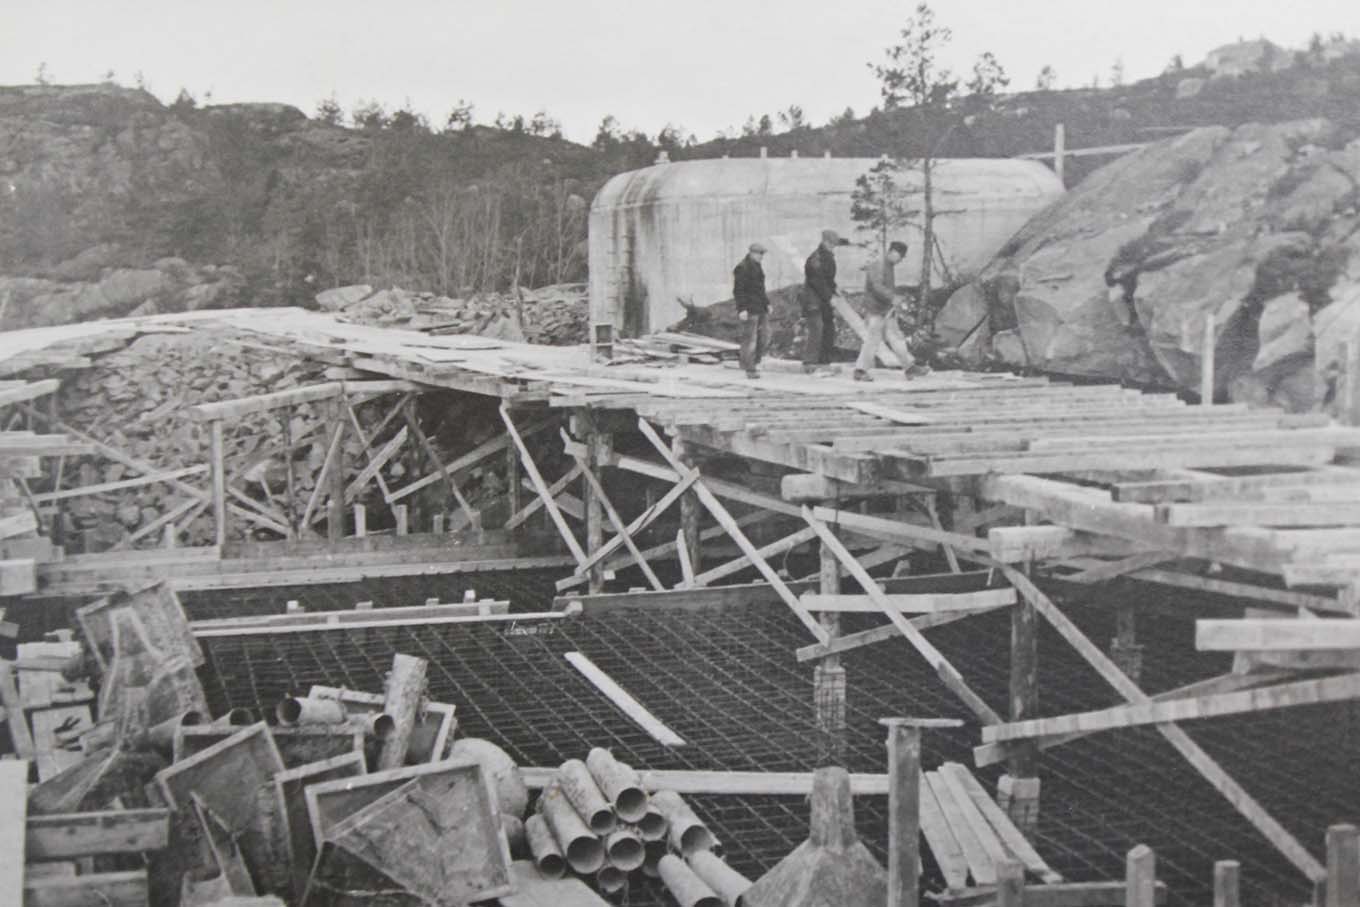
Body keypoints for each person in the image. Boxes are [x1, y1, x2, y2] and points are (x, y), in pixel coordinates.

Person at [854, 240, 931, 381]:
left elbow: (885, 287)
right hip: (875, 309)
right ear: (893, 252)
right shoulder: (878, 265)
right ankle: (860, 370)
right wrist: (892, 297)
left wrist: (892, 300)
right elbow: (876, 286)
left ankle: (909, 368)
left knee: (896, 338)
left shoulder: (889, 265)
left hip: (886, 309)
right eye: (900, 256)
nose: (901, 260)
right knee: (873, 340)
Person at [801, 229, 844, 374]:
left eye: (835, 244)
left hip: (823, 301)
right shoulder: (815, 259)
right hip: (813, 301)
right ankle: (809, 362)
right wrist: (829, 297)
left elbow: (828, 279)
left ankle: (824, 361)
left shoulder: (828, 257)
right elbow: (817, 281)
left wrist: (835, 288)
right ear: (825, 242)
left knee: (828, 329)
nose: (833, 246)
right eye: (831, 244)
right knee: (817, 329)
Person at [733, 242, 771, 378]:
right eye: (759, 254)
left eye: (762, 254)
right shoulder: (742, 268)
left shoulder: (757, 266)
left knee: (765, 336)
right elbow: (738, 290)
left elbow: (760, 288)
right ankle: (749, 369)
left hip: (760, 307)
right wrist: (742, 309)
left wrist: (767, 303)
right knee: (750, 339)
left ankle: (755, 362)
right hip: (750, 309)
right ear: (752, 253)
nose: (761, 256)